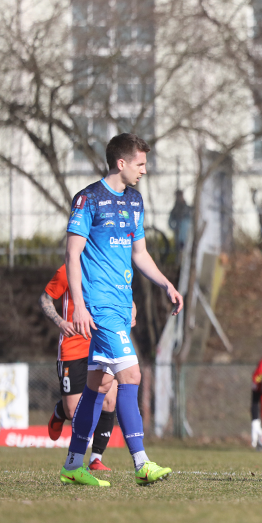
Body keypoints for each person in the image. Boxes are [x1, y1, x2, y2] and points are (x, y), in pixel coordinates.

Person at [61, 132, 183, 487]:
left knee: (98, 386)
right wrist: (80, 306)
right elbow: (72, 254)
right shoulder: (89, 200)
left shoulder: (135, 201)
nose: (145, 170)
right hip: (98, 306)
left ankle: (72, 464)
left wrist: (166, 284)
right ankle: (142, 463)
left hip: (118, 304)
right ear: (122, 163)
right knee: (131, 376)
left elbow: (139, 254)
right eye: (141, 163)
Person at [40, 264, 135, 471]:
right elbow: (45, 298)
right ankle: (60, 411)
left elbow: (124, 294)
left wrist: (132, 310)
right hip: (72, 347)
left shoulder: (106, 265)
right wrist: (60, 322)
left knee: (110, 400)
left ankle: (95, 459)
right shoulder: (67, 270)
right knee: (73, 411)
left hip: (101, 343)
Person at [168, 189, 192, 261]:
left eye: (179, 196)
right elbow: (170, 222)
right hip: (178, 236)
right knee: (179, 252)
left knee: (186, 252)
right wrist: (175, 228)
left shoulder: (187, 208)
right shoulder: (175, 209)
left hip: (187, 235)